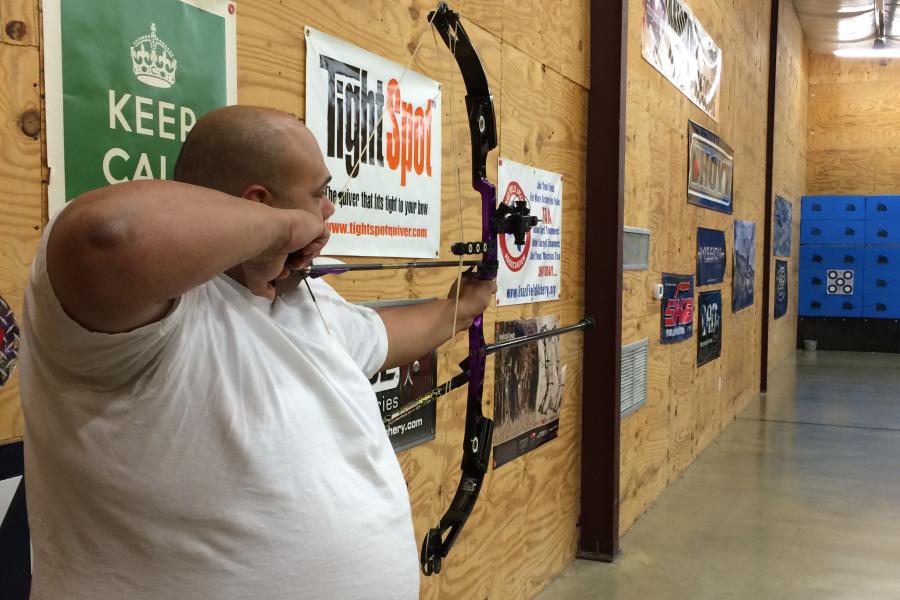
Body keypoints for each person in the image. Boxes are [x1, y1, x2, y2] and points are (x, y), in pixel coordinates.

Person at [20, 105, 495, 599]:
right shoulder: (151, 318)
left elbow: (382, 336)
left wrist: (464, 305)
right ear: (259, 203)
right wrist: (283, 230)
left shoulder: (303, 298)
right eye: (319, 194)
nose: (328, 209)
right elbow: (112, 236)